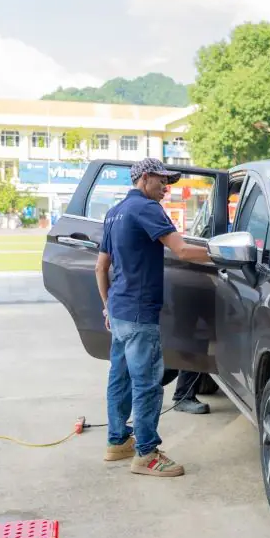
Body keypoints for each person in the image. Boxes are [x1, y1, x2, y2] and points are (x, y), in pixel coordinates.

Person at [96, 158, 213, 477]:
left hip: (119, 309)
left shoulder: (114, 212)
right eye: (162, 181)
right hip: (139, 311)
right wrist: (227, 253)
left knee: (119, 378)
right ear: (145, 178)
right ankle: (146, 453)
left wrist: (107, 306)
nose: (166, 187)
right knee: (147, 383)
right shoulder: (147, 209)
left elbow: (100, 266)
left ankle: (118, 441)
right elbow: (184, 251)